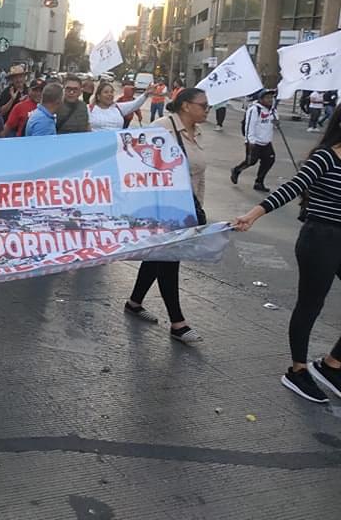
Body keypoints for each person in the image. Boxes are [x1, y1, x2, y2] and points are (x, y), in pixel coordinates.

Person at [232, 110, 341, 404]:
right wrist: (253, 214)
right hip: (320, 238)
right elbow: (292, 187)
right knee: (311, 304)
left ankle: (331, 365)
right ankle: (298, 370)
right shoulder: (325, 157)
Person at [124, 87, 208, 344]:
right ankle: (177, 323)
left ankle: (134, 302)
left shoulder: (196, 131)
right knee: (169, 259)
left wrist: (198, 209)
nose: (207, 109)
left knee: (157, 255)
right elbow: (135, 162)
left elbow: (197, 174)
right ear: (185, 106)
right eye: (203, 105)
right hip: (161, 209)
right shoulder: (161, 128)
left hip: (186, 208)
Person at [231, 88, 278, 192]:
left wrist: (276, 123)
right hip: (254, 142)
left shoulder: (273, 110)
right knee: (251, 161)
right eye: (267, 98)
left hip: (266, 142)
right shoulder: (254, 109)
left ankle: (259, 182)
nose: (270, 100)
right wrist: (250, 141)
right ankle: (237, 170)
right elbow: (249, 126)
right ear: (261, 99)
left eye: (271, 97)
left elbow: (274, 122)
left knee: (269, 160)